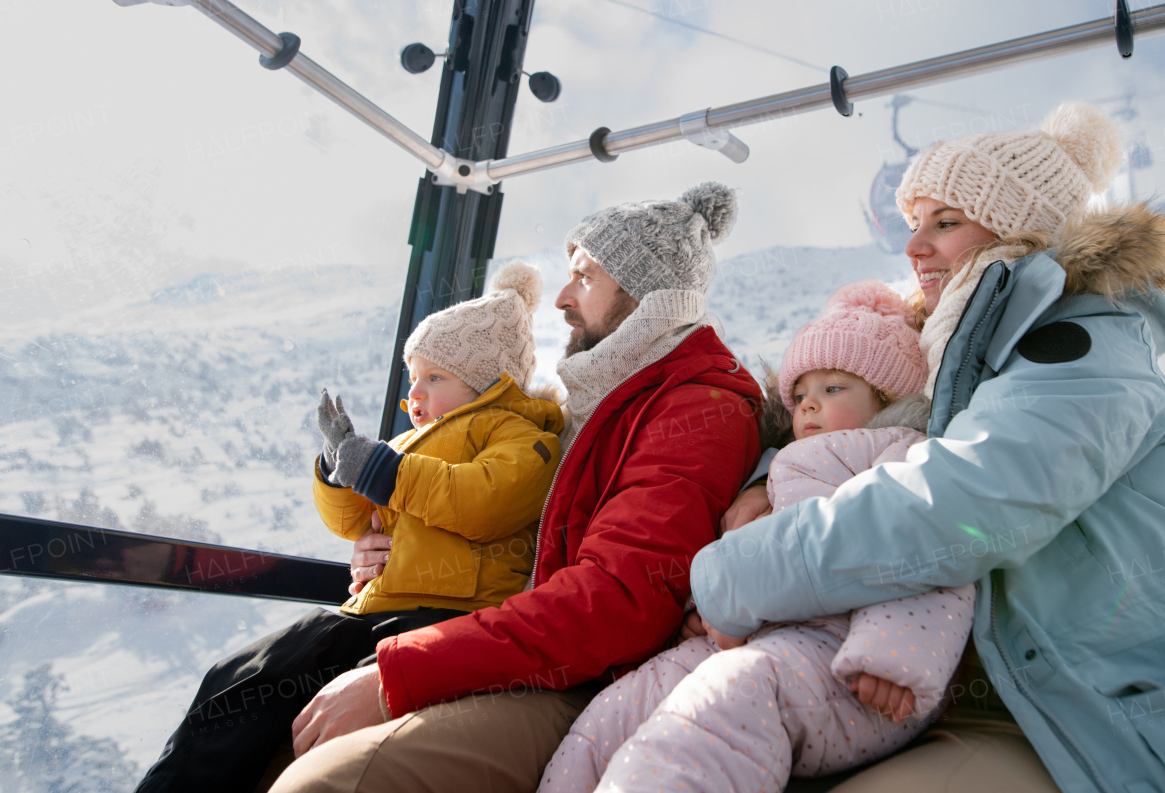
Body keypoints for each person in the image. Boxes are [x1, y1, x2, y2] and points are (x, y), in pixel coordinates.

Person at [691, 101, 1165, 793]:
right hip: (986, 687)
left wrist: (731, 575)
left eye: (946, 223)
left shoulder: (1087, 350)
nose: (913, 248)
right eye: (914, 225)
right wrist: (769, 475)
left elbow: (964, 502)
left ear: (1020, 234)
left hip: (1126, 705)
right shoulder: (951, 360)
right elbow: (853, 412)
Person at [270, 182, 763, 793]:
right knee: (255, 722)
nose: (560, 298)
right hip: (505, 639)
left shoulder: (696, 410)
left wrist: (395, 676)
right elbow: (495, 515)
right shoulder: (579, 407)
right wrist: (403, 549)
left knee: (330, 782)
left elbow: (611, 605)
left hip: (577, 680)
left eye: (584, 277)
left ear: (645, 294)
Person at [134, 261, 563, 793]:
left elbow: (484, 502)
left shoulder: (525, 437)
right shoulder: (409, 447)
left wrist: (384, 472)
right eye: (413, 379)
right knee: (238, 677)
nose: (417, 396)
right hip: (375, 610)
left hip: (441, 616)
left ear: (487, 382)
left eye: (436, 377)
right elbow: (353, 524)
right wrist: (338, 471)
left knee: (285, 685)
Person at [538, 280, 976, 793]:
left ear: (884, 398)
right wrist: (703, 613)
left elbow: (924, 546)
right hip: (754, 640)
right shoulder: (781, 467)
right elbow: (743, 550)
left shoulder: (898, 451)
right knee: (617, 710)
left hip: (847, 665)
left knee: (729, 701)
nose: (809, 406)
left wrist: (892, 657)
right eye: (800, 395)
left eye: (833, 389)